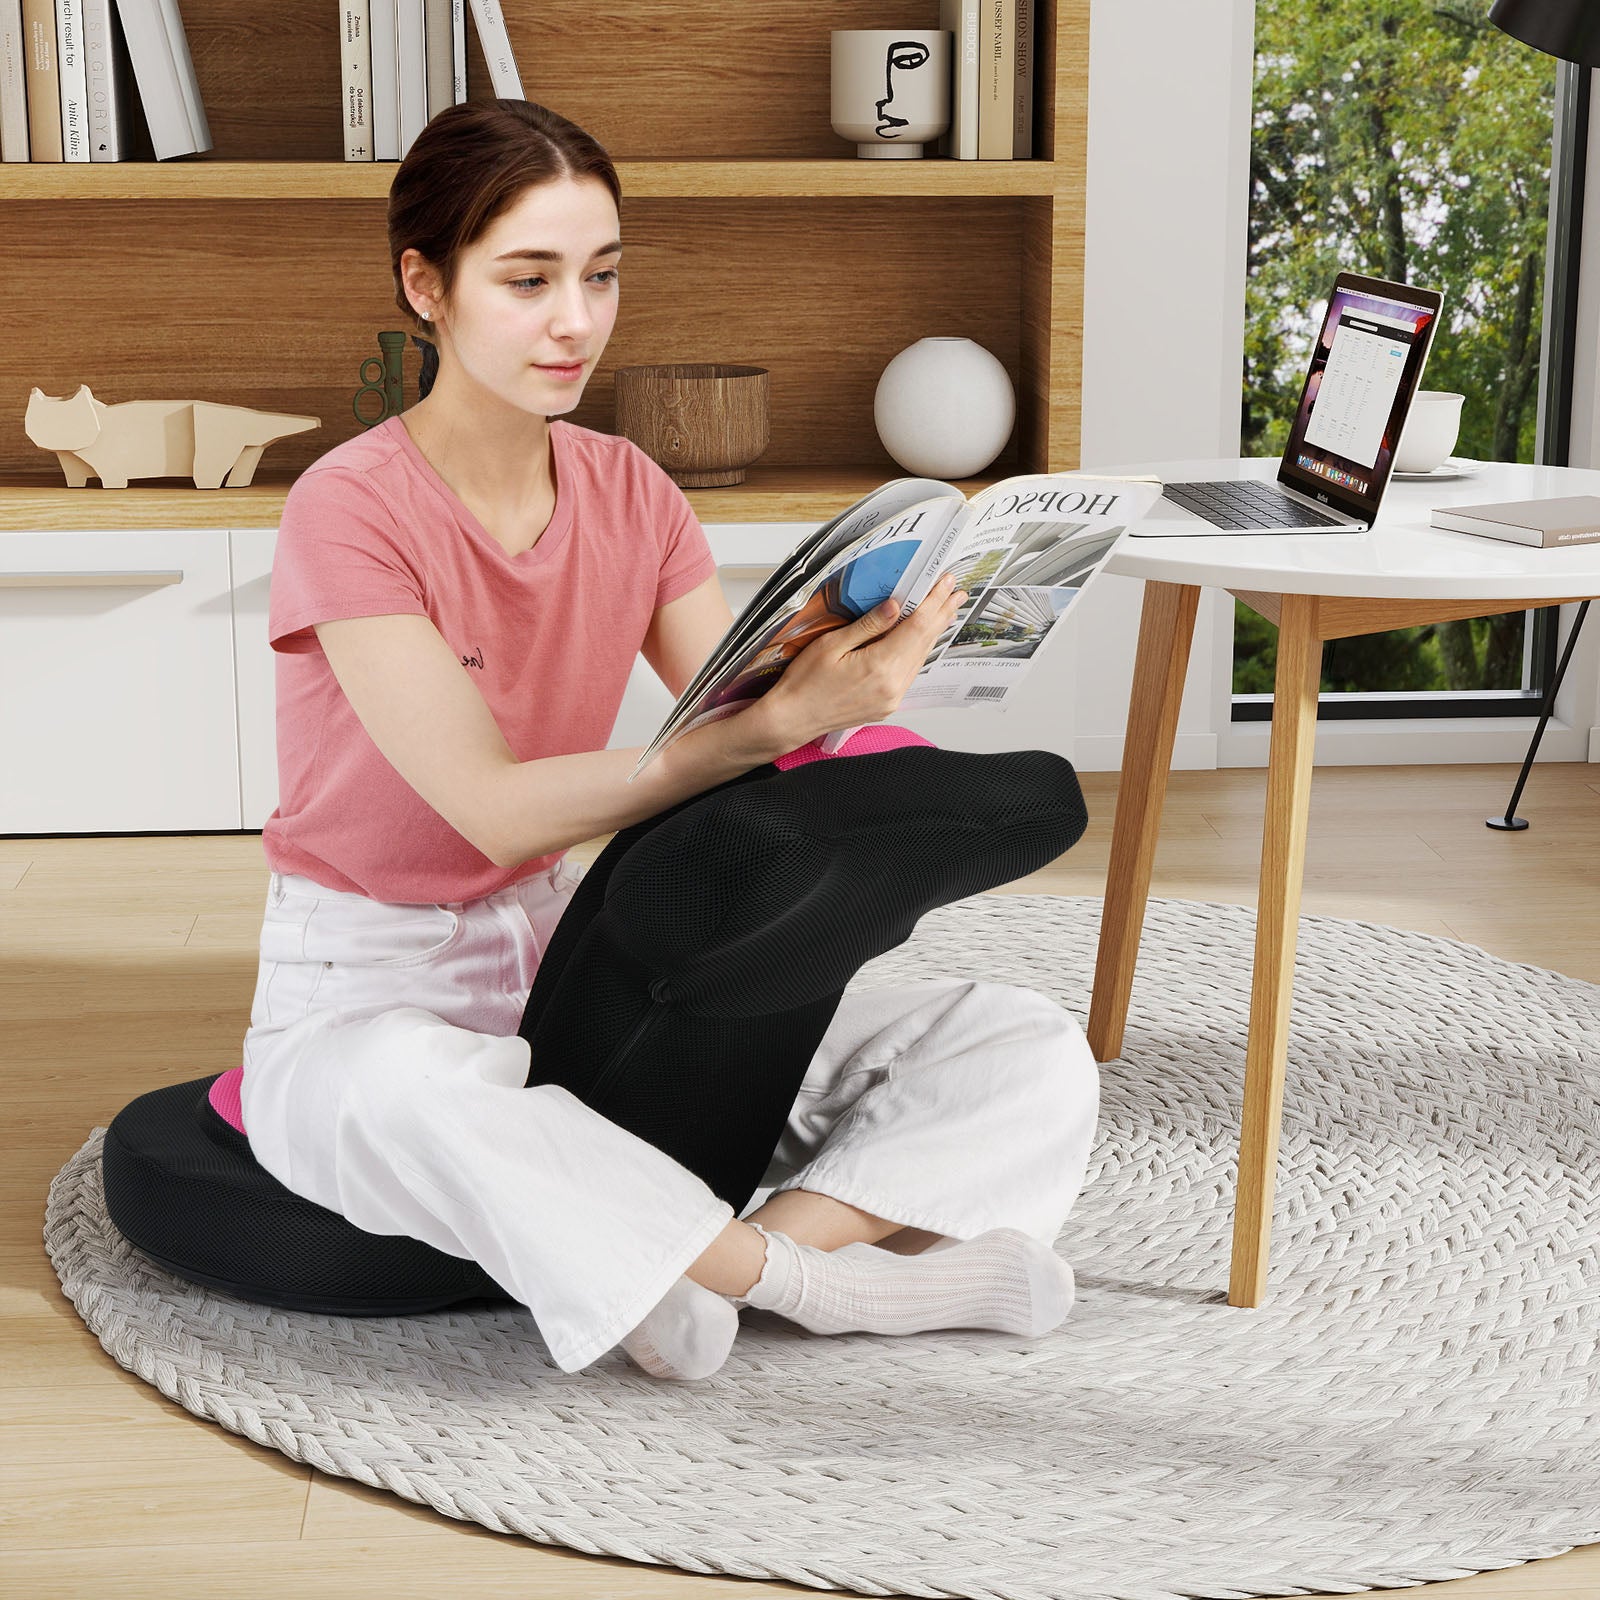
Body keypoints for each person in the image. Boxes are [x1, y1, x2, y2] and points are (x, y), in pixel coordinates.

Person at [237, 98, 1101, 1383]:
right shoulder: (348, 508)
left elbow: (752, 717)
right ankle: (827, 1291)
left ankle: (718, 1259)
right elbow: (495, 809)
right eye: (527, 281)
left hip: (571, 965)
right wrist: (774, 727)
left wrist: (872, 692)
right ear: (427, 284)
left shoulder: (630, 491)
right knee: (417, 1100)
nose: (574, 321)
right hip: (364, 988)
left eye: (600, 276)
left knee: (1019, 1042)